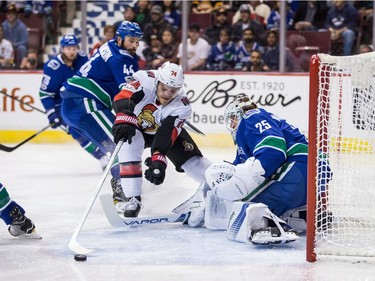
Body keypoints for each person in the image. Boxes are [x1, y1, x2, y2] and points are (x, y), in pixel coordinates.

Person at [175, 94, 317, 245]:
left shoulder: (252, 117)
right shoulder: (248, 143)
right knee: (249, 194)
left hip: (299, 168)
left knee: (244, 210)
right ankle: (301, 215)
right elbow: (233, 170)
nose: (232, 123)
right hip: (312, 178)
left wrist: (234, 190)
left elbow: (273, 152)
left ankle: (262, 225)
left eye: (232, 119)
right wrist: (208, 197)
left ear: (238, 114)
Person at [60, 21, 143, 212]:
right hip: (85, 103)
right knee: (122, 145)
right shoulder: (121, 59)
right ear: (120, 38)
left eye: (138, 41)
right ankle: (122, 189)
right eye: (131, 41)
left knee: (113, 146)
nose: (135, 45)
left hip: (74, 105)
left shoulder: (108, 45)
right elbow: (129, 90)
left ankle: (123, 187)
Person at [111, 61, 212, 217]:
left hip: (162, 131)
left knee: (194, 163)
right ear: (158, 81)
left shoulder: (182, 106)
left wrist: (158, 158)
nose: (166, 94)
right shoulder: (145, 80)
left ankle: (224, 184)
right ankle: (133, 198)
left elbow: (167, 132)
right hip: (136, 126)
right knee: (129, 146)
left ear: (179, 89)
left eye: (172, 91)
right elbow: (124, 97)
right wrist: (125, 118)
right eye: (163, 88)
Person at [39, 34, 109, 169]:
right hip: (62, 104)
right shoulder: (52, 67)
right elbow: (45, 94)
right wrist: (52, 114)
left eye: (74, 48)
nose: (71, 51)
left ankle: (109, 149)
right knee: (75, 129)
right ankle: (101, 156)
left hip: (81, 99)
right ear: (62, 49)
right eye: (68, 48)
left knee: (95, 125)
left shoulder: (82, 58)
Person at [1, 3, 28, 68]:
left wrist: (13, 44)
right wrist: (6, 44)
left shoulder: (22, 26)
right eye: (8, 14)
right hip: (5, 46)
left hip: (17, 46)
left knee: (22, 48)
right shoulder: (3, 26)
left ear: (16, 15)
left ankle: (20, 67)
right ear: (6, 15)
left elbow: (25, 41)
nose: (10, 16)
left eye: (12, 14)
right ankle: (2, 66)